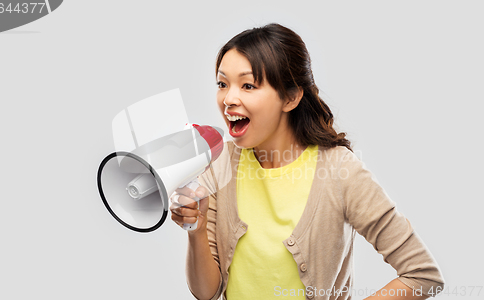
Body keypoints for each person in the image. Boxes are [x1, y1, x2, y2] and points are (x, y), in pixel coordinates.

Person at [170, 23, 444, 300]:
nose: (228, 99)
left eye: (248, 85)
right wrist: (198, 229)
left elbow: (422, 275)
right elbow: (206, 292)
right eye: (222, 84)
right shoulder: (220, 163)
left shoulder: (339, 170)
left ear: (290, 97)